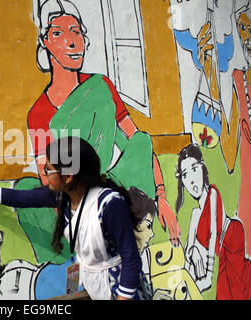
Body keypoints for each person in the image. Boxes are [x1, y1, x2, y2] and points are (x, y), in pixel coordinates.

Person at [27, 0, 180, 246]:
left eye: (76, 31)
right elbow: (49, 181)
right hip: (85, 204)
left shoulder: (101, 86)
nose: (71, 41)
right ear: (45, 42)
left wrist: (162, 197)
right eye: (58, 33)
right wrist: (82, 219)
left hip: (126, 186)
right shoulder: (39, 113)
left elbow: (139, 141)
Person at [0, 136, 144, 300]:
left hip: (120, 291)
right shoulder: (63, 197)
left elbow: (131, 259)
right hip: (95, 287)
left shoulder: (109, 204)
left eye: (49, 170)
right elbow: (18, 198)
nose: (45, 174)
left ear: (68, 177)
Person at [175, 143, 251, 299]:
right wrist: (192, 252)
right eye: (185, 174)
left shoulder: (213, 195)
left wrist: (193, 287)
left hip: (232, 247)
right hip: (222, 258)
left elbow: (208, 277)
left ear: (202, 168)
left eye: (194, 169)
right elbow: (188, 254)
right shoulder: (195, 214)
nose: (191, 180)